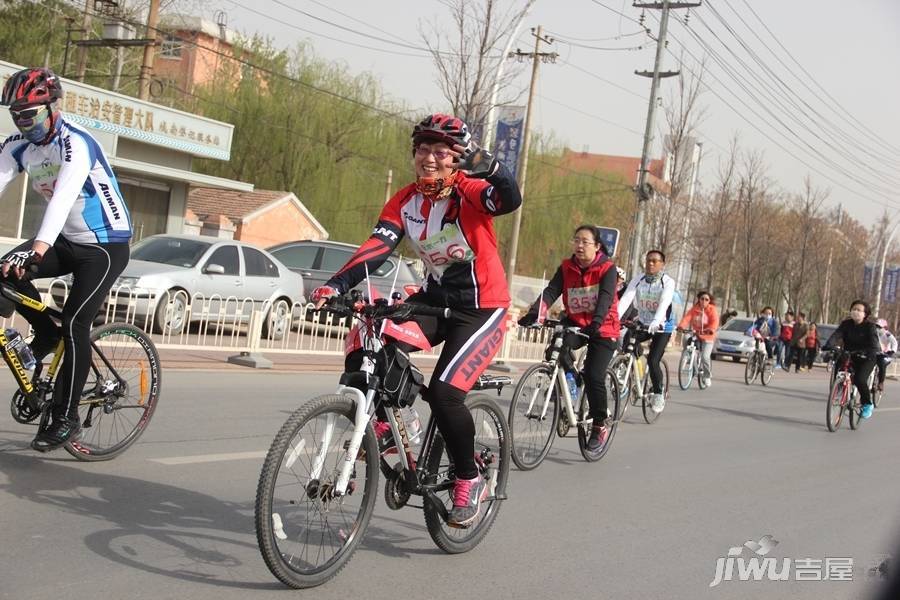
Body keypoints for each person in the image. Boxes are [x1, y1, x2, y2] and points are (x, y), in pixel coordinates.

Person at [310, 113, 521, 528]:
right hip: (434, 301)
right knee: (365, 337)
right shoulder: (405, 201)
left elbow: (509, 199)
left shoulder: (470, 191)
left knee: (444, 394)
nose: (430, 158)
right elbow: (378, 245)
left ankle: (468, 477)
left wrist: (490, 166)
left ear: (456, 158)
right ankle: (393, 427)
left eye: (441, 152)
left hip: (481, 309)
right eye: (422, 149)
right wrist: (335, 284)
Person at [0, 68, 132, 452]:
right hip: (64, 240)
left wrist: (38, 247)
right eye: (17, 115)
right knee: (4, 275)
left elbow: (62, 197)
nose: (24, 123)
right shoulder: (18, 145)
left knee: (77, 322)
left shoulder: (77, 142)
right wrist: (38, 247)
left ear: (52, 107)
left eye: (31, 114)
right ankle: (45, 331)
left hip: (106, 246)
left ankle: (67, 417)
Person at [518, 225, 620, 452]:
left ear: (597, 246)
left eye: (585, 241)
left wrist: (597, 321)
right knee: (554, 349)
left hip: (603, 329)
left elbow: (605, 298)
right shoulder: (567, 267)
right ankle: (574, 380)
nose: (580, 245)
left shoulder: (607, 269)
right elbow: (552, 291)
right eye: (577, 240)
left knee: (594, 374)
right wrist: (535, 313)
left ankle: (599, 424)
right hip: (576, 322)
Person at [617, 249, 675, 413]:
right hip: (642, 322)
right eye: (648, 260)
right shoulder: (638, 279)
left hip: (662, 326)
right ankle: (630, 373)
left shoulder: (667, 282)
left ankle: (658, 393)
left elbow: (664, 301)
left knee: (653, 360)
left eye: (655, 261)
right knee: (628, 344)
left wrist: (657, 320)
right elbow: (626, 299)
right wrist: (613, 318)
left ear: (662, 265)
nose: (650, 263)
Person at [823, 300, 880, 419]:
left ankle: (867, 403)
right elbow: (836, 335)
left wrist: (869, 351)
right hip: (850, 354)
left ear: (865, 314)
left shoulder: (870, 327)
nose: (855, 312)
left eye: (859, 310)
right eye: (854, 309)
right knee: (839, 364)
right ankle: (838, 389)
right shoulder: (846, 324)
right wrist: (829, 345)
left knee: (860, 379)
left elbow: (874, 345)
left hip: (867, 357)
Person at [677, 290, 719, 388]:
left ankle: (707, 376)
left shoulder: (712, 310)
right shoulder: (694, 309)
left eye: (706, 299)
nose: (704, 301)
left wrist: (711, 329)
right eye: (702, 299)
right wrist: (681, 326)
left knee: (705, 357)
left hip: (708, 335)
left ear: (709, 301)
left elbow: (715, 321)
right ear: (699, 300)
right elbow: (687, 318)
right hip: (696, 333)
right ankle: (687, 355)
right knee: (686, 337)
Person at [875, 318, 897, 392]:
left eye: (879, 327)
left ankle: (881, 382)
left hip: (885, 355)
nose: (877, 329)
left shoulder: (887, 334)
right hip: (875, 353)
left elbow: (894, 342)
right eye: (876, 326)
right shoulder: (873, 333)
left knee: (882, 364)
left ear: (884, 328)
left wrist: (892, 351)